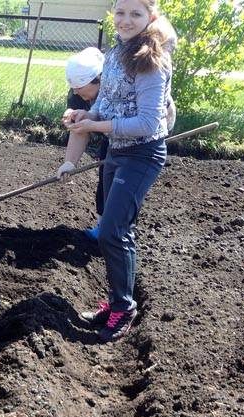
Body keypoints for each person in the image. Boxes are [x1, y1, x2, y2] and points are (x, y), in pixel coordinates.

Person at [61, 0, 175, 343]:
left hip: (141, 155)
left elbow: (147, 123)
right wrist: (87, 115)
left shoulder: (151, 61)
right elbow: (105, 101)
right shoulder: (113, 54)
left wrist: (97, 126)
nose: (126, 20)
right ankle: (115, 303)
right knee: (115, 231)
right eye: (121, 13)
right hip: (117, 152)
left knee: (112, 232)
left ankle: (124, 308)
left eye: (135, 14)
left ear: (150, 17)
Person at [57, 47, 108, 241]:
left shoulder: (115, 90)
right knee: (105, 176)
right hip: (111, 135)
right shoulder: (77, 96)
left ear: (98, 79)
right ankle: (103, 228)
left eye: (80, 87)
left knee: (121, 181)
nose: (76, 92)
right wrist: (69, 163)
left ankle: (121, 232)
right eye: (74, 88)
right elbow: (80, 130)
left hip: (138, 136)